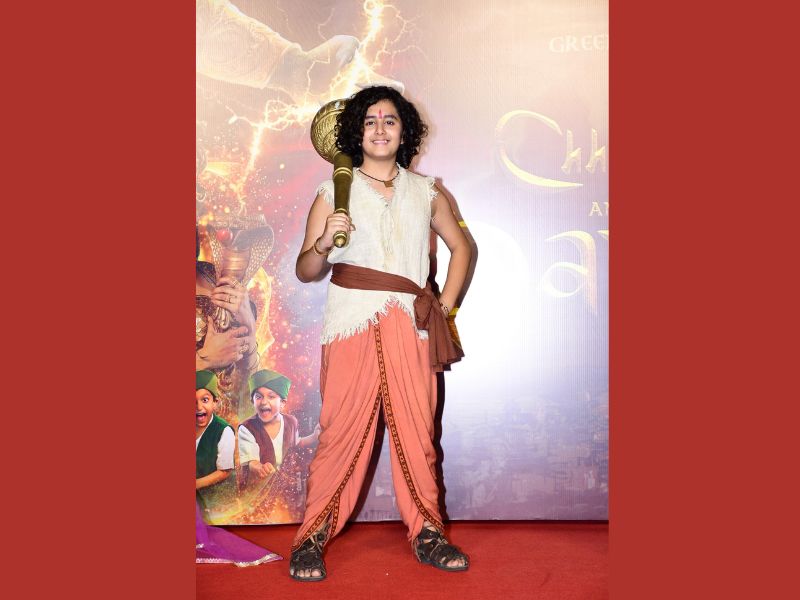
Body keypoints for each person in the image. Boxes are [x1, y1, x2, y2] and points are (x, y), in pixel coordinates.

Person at [289, 86, 472, 581]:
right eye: (369, 121)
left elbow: (462, 248)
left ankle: (428, 533)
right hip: (351, 320)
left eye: (390, 120)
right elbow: (306, 271)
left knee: (417, 431)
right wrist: (323, 242)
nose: (380, 129)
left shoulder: (426, 191)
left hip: (411, 324)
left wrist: (444, 308)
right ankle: (311, 538)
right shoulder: (332, 191)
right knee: (340, 431)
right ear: (356, 132)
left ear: (404, 130)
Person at [238, 368, 321, 486]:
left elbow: (295, 442)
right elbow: (251, 461)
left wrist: (313, 437)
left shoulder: (291, 422)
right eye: (258, 397)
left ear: (282, 403)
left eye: (271, 397)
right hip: (258, 489)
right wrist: (260, 467)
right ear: (253, 401)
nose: (264, 402)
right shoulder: (247, 428)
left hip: (283, 485)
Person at [196, 370, 237, 512]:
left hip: (217, 501)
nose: (198, 407)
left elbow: (224, 472)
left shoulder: (223, 431)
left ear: (215, 403)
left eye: (205, 400)